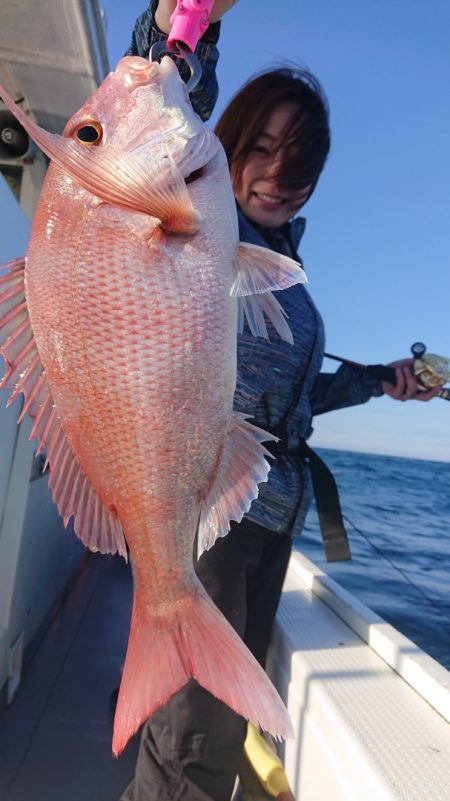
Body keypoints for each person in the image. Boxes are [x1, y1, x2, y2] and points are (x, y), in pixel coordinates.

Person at [120, 3, 441, 800]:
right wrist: (182, 27)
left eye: (299, 162)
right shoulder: (198, 229)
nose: (275, 173)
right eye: (259, 146)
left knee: (217, 732)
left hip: (268, 526)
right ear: (224, 144)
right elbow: (161, 107)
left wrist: (378, 382)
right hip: (212, 526)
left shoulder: (288, 271)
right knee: (192, 743)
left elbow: (288, 403)